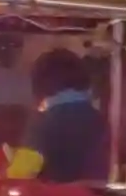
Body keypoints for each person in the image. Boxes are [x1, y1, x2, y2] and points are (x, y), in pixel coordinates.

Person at [24, 47, 109, 184]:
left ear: (41, 83)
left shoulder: (42, 124)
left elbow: (24, 174)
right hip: (96, 195)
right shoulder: (101, 121)